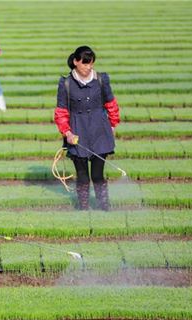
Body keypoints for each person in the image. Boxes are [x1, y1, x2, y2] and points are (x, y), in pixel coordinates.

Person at [54, 46, 120, 211]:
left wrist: (112, 125)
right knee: (82, 176)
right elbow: (61, 111)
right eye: (85, 63)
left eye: (91, 64)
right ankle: (83, 208)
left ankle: (103, 207)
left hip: (100, 130)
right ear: (76, 62)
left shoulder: (101, 79)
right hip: (77, 131)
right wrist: (67, 132)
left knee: (97, 175)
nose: (88, 67)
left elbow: (111, 104)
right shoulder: (66, 83)